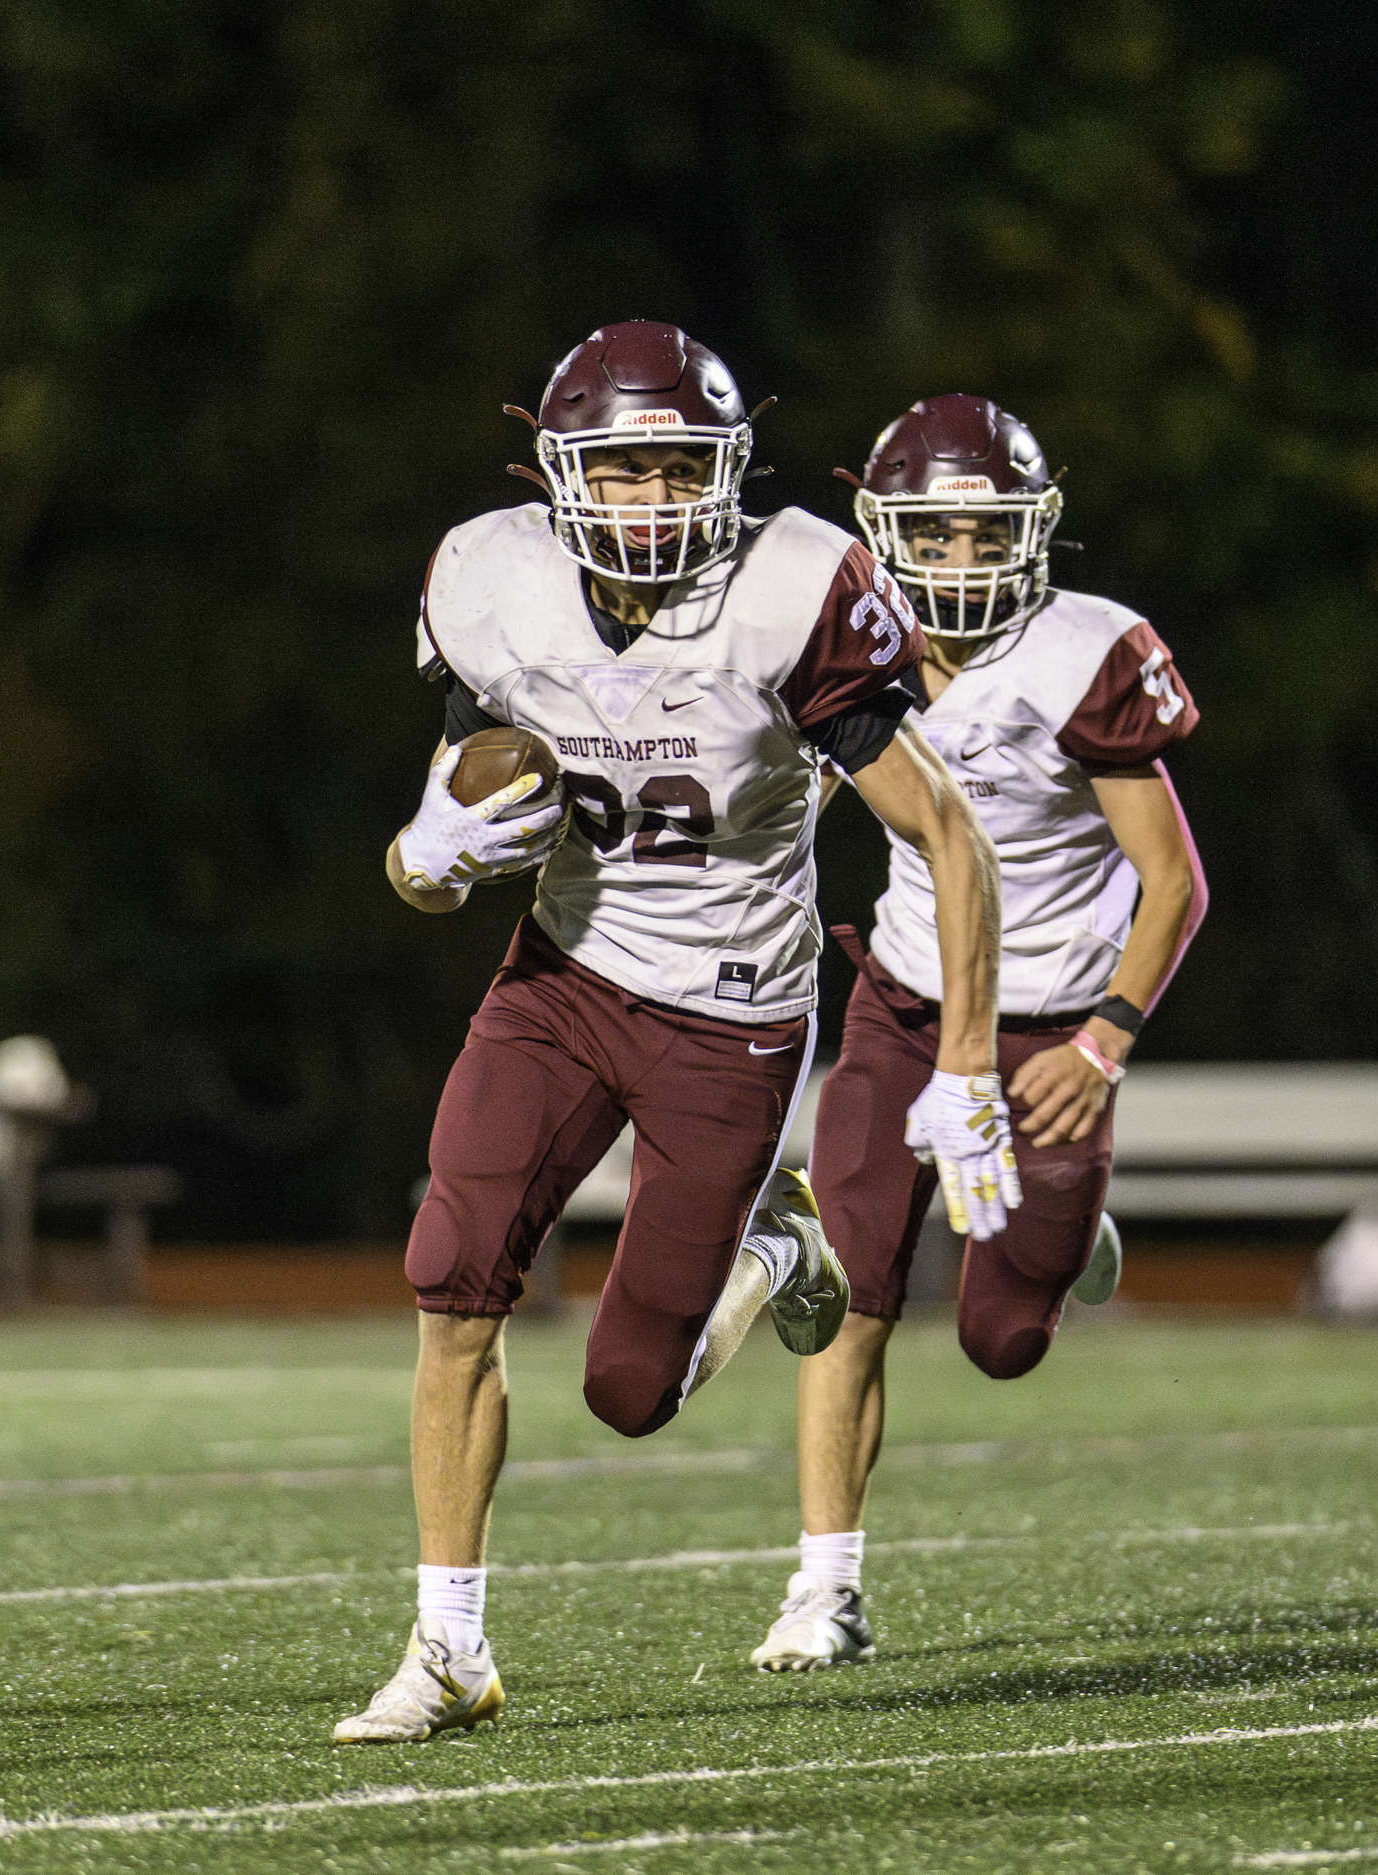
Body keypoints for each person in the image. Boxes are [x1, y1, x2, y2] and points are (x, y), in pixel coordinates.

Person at [335, 328, 1019, 1741]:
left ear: (725, 473)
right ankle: (450, 1643)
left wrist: (965, 1060)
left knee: (630, 1388)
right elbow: (457, 812)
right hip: (565, 976)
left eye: (678, 468)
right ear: (558, 475)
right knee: (451, 1270)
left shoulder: (791, 586)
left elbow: (948, 833)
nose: (650, 500)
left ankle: (780, 1240)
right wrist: (424, 850)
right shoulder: (488, 577)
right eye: (623, 469)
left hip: (732, 1011)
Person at [752, 393, 1208, 1672]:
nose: (960, 562)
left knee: (1004, 1343)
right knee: (853, 1285)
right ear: (886, 534)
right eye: (935, 537)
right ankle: (824, 1589)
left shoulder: (1087, 650)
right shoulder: (848, 642)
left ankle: (1067, 1244)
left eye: (985, 533)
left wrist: (1105, 1040)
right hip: (907, 998)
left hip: (1058, 1022)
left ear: (1035, 529)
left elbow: (1172, 880)